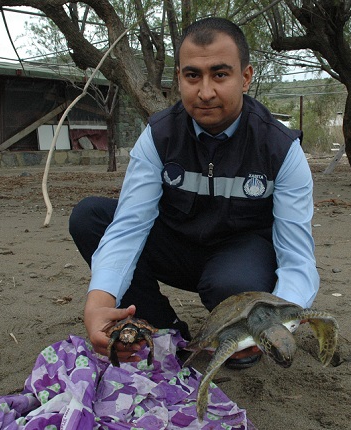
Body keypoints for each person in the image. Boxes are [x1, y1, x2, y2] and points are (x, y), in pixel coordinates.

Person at [69, 17, 319, 369]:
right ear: (179, 79)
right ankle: (163, 329)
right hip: (178, 246)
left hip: (240, 259)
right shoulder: (159, 136)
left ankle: (241, 337)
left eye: (220, 74)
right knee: (90, 217)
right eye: (192, 76)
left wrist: (280, 321)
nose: (205, 92)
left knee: (233, 285)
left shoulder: (279, 147)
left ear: (245, 77)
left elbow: (297, 257)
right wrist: (97, 302)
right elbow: (129, 227)